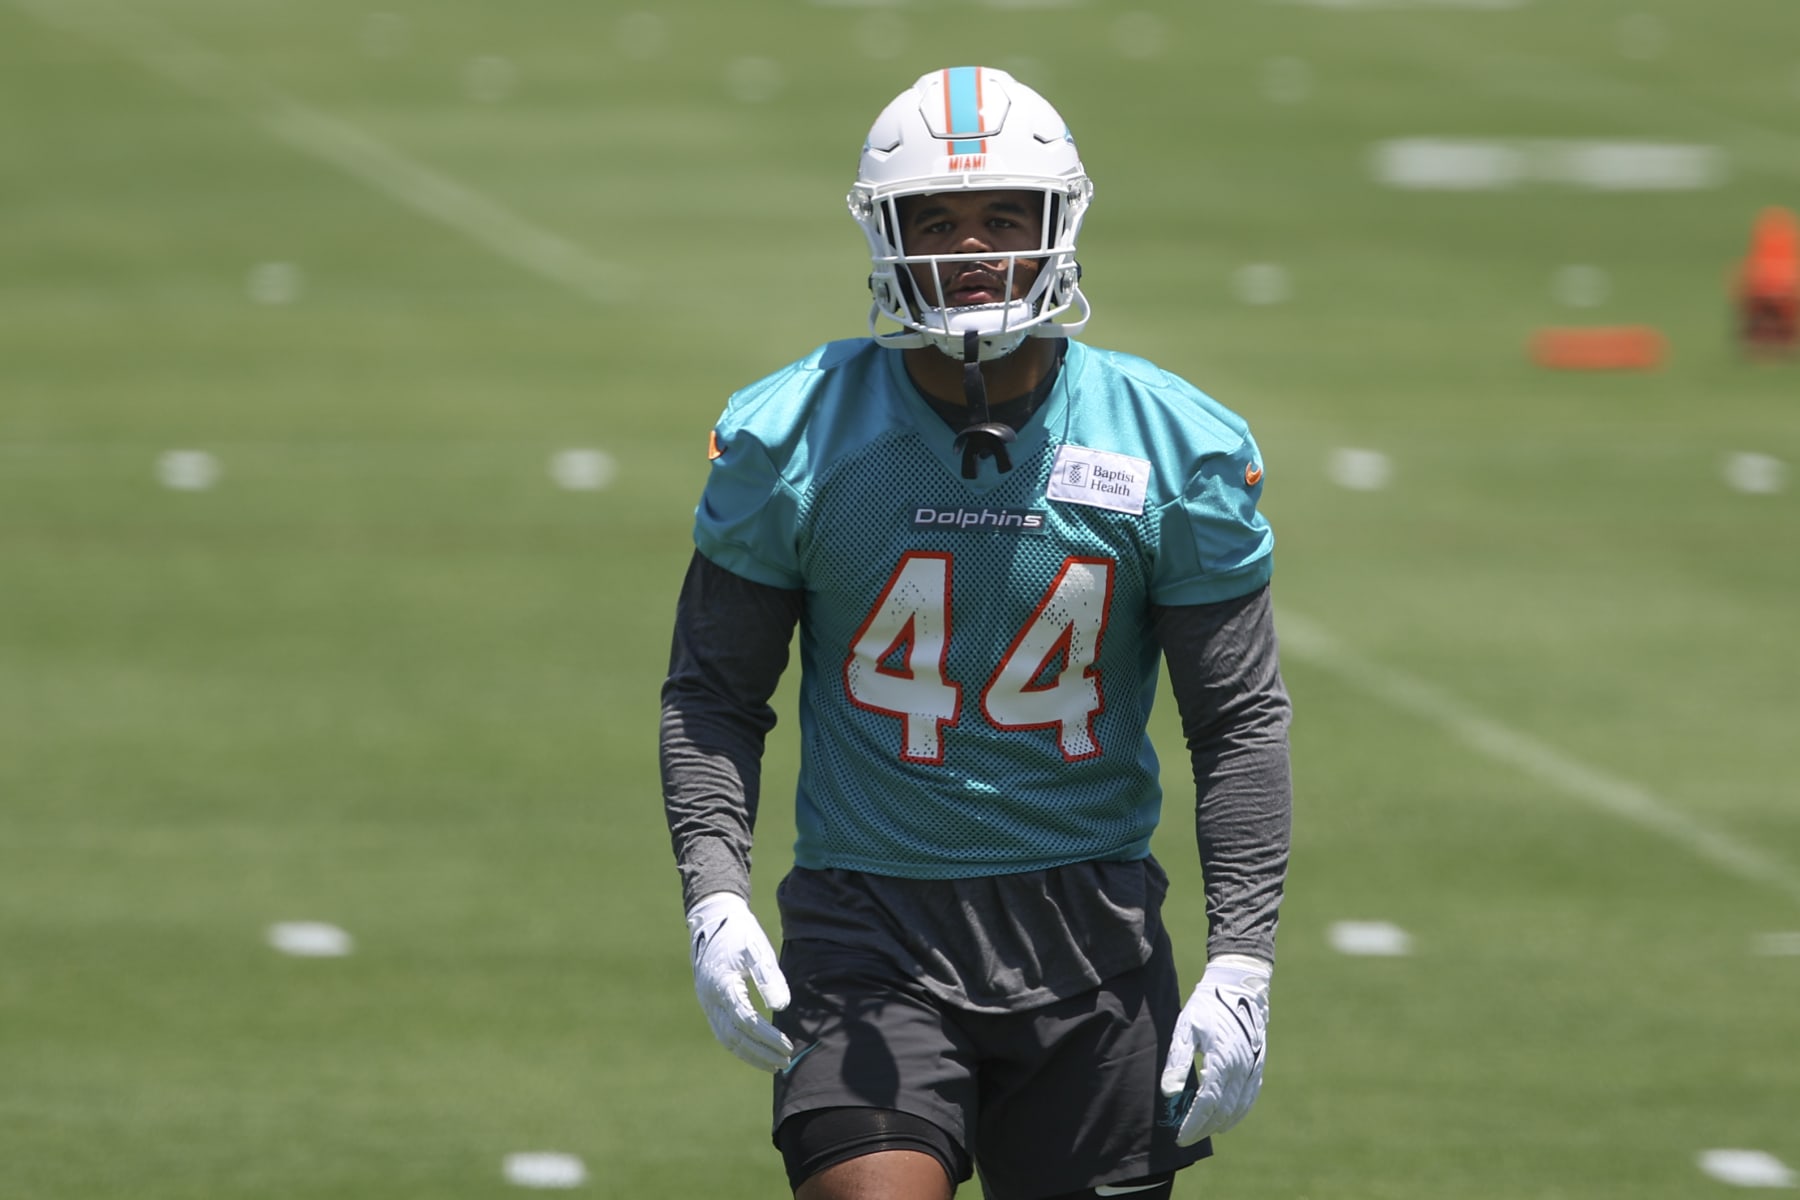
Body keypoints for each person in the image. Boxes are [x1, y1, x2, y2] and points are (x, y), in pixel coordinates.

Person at [662, 65, 1293, 1200]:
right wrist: (716, 893)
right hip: (869, 929)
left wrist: (1242, 955)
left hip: (1093, 935)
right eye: (936, 222)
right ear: (885, 232)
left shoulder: (1173, 445)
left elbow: (1237, 721)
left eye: (1003, 217)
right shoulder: (792, 434)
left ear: (1057, 227)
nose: (970, 250)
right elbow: (713, 691)